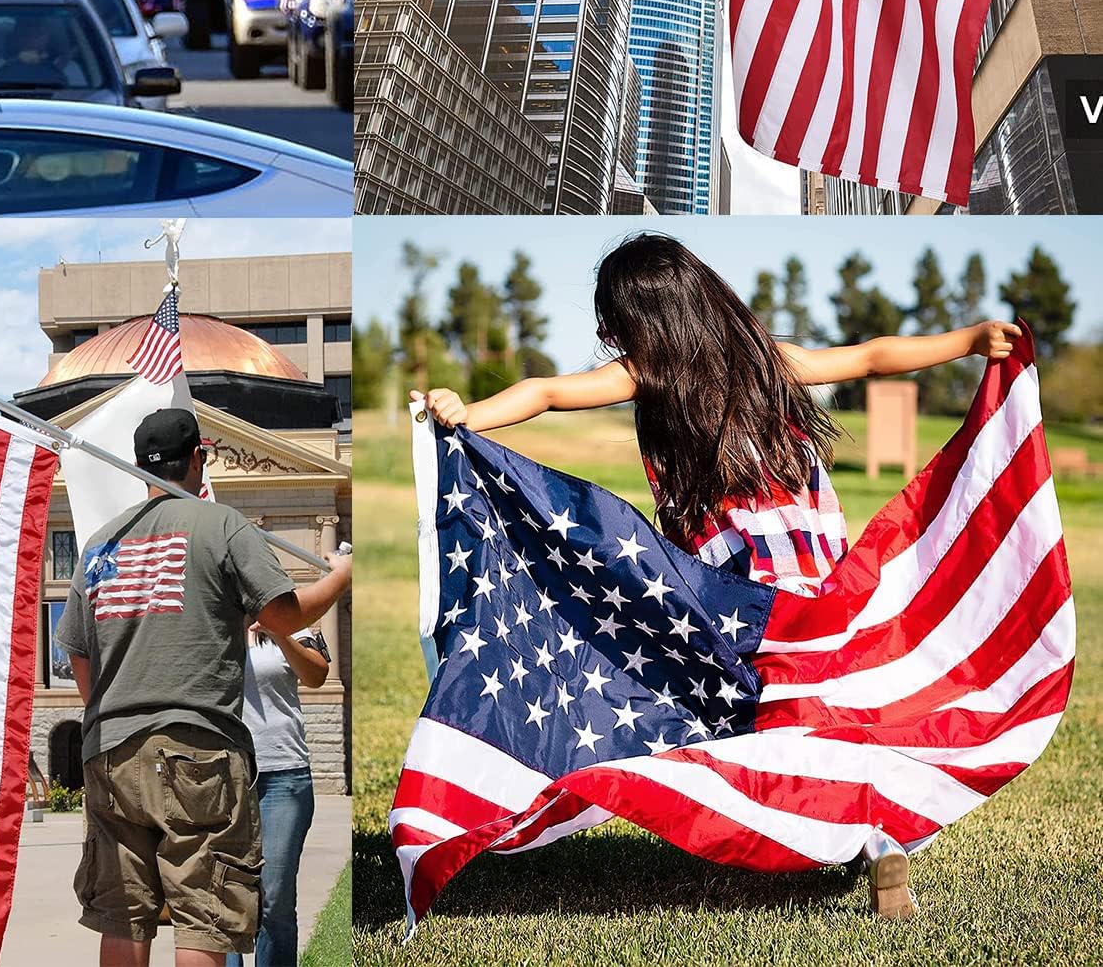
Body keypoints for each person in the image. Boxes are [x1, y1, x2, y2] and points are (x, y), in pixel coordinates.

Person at [415, 233, 1022, 912]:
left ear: (644, 318)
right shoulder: (767, 358)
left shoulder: (649, 374)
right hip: (817, 580)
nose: (608, 335)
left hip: (738, 594)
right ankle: (876, 833)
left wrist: (471, 414)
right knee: (829, 710)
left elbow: (549, 391)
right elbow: (873, 355)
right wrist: (968, 340)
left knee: (778, 722)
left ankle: (850, 828)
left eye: (614, 319)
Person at [53, 408, 352, 967]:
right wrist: (339, 578)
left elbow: (76, 647)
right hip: (196, 748)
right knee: (204, 917)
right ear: (198, 458)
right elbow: (283, 616)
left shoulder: (99, 544)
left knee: (122, 917)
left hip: (110, 753)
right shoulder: (221, 525)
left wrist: (103, 716)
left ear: (141, 465)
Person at [224, 622, 329, 967]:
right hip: (222, 777)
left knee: (275, 897)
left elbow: (317, 675)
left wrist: (278, 631)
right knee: (225, 896)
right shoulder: (211, 620)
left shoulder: (290, 622)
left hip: (284, 774)